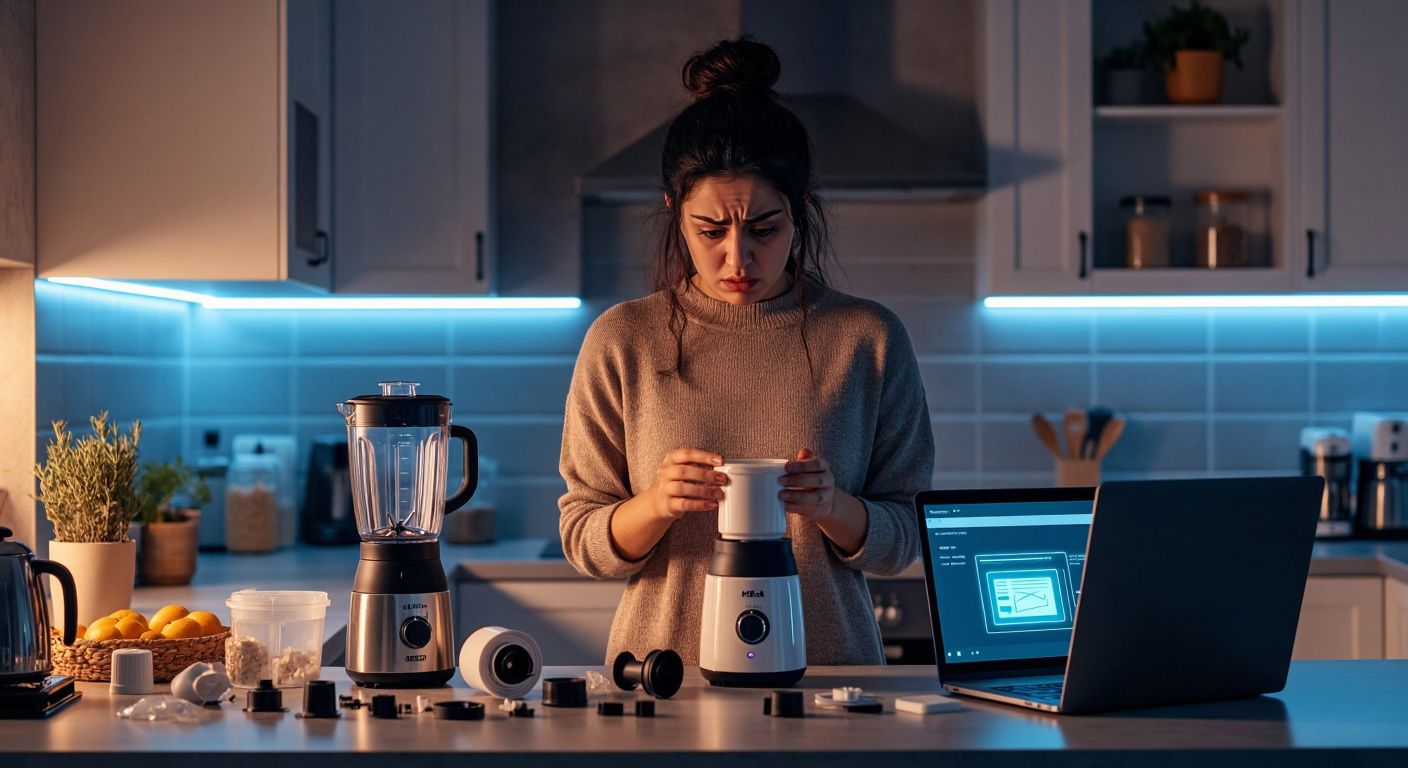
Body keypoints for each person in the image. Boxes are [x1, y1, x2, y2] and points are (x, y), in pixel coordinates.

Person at [558, 37, 934, 666]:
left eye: (765, 229)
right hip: (662, 682)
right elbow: (581, 538)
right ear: (676, 213)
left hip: (829, 679)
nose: (739, 258)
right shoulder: (623, 340)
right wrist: (656, 504)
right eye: (711, 231)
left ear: (801, 209)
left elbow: (903, 538)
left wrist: (832, 507)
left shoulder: (867, 339)